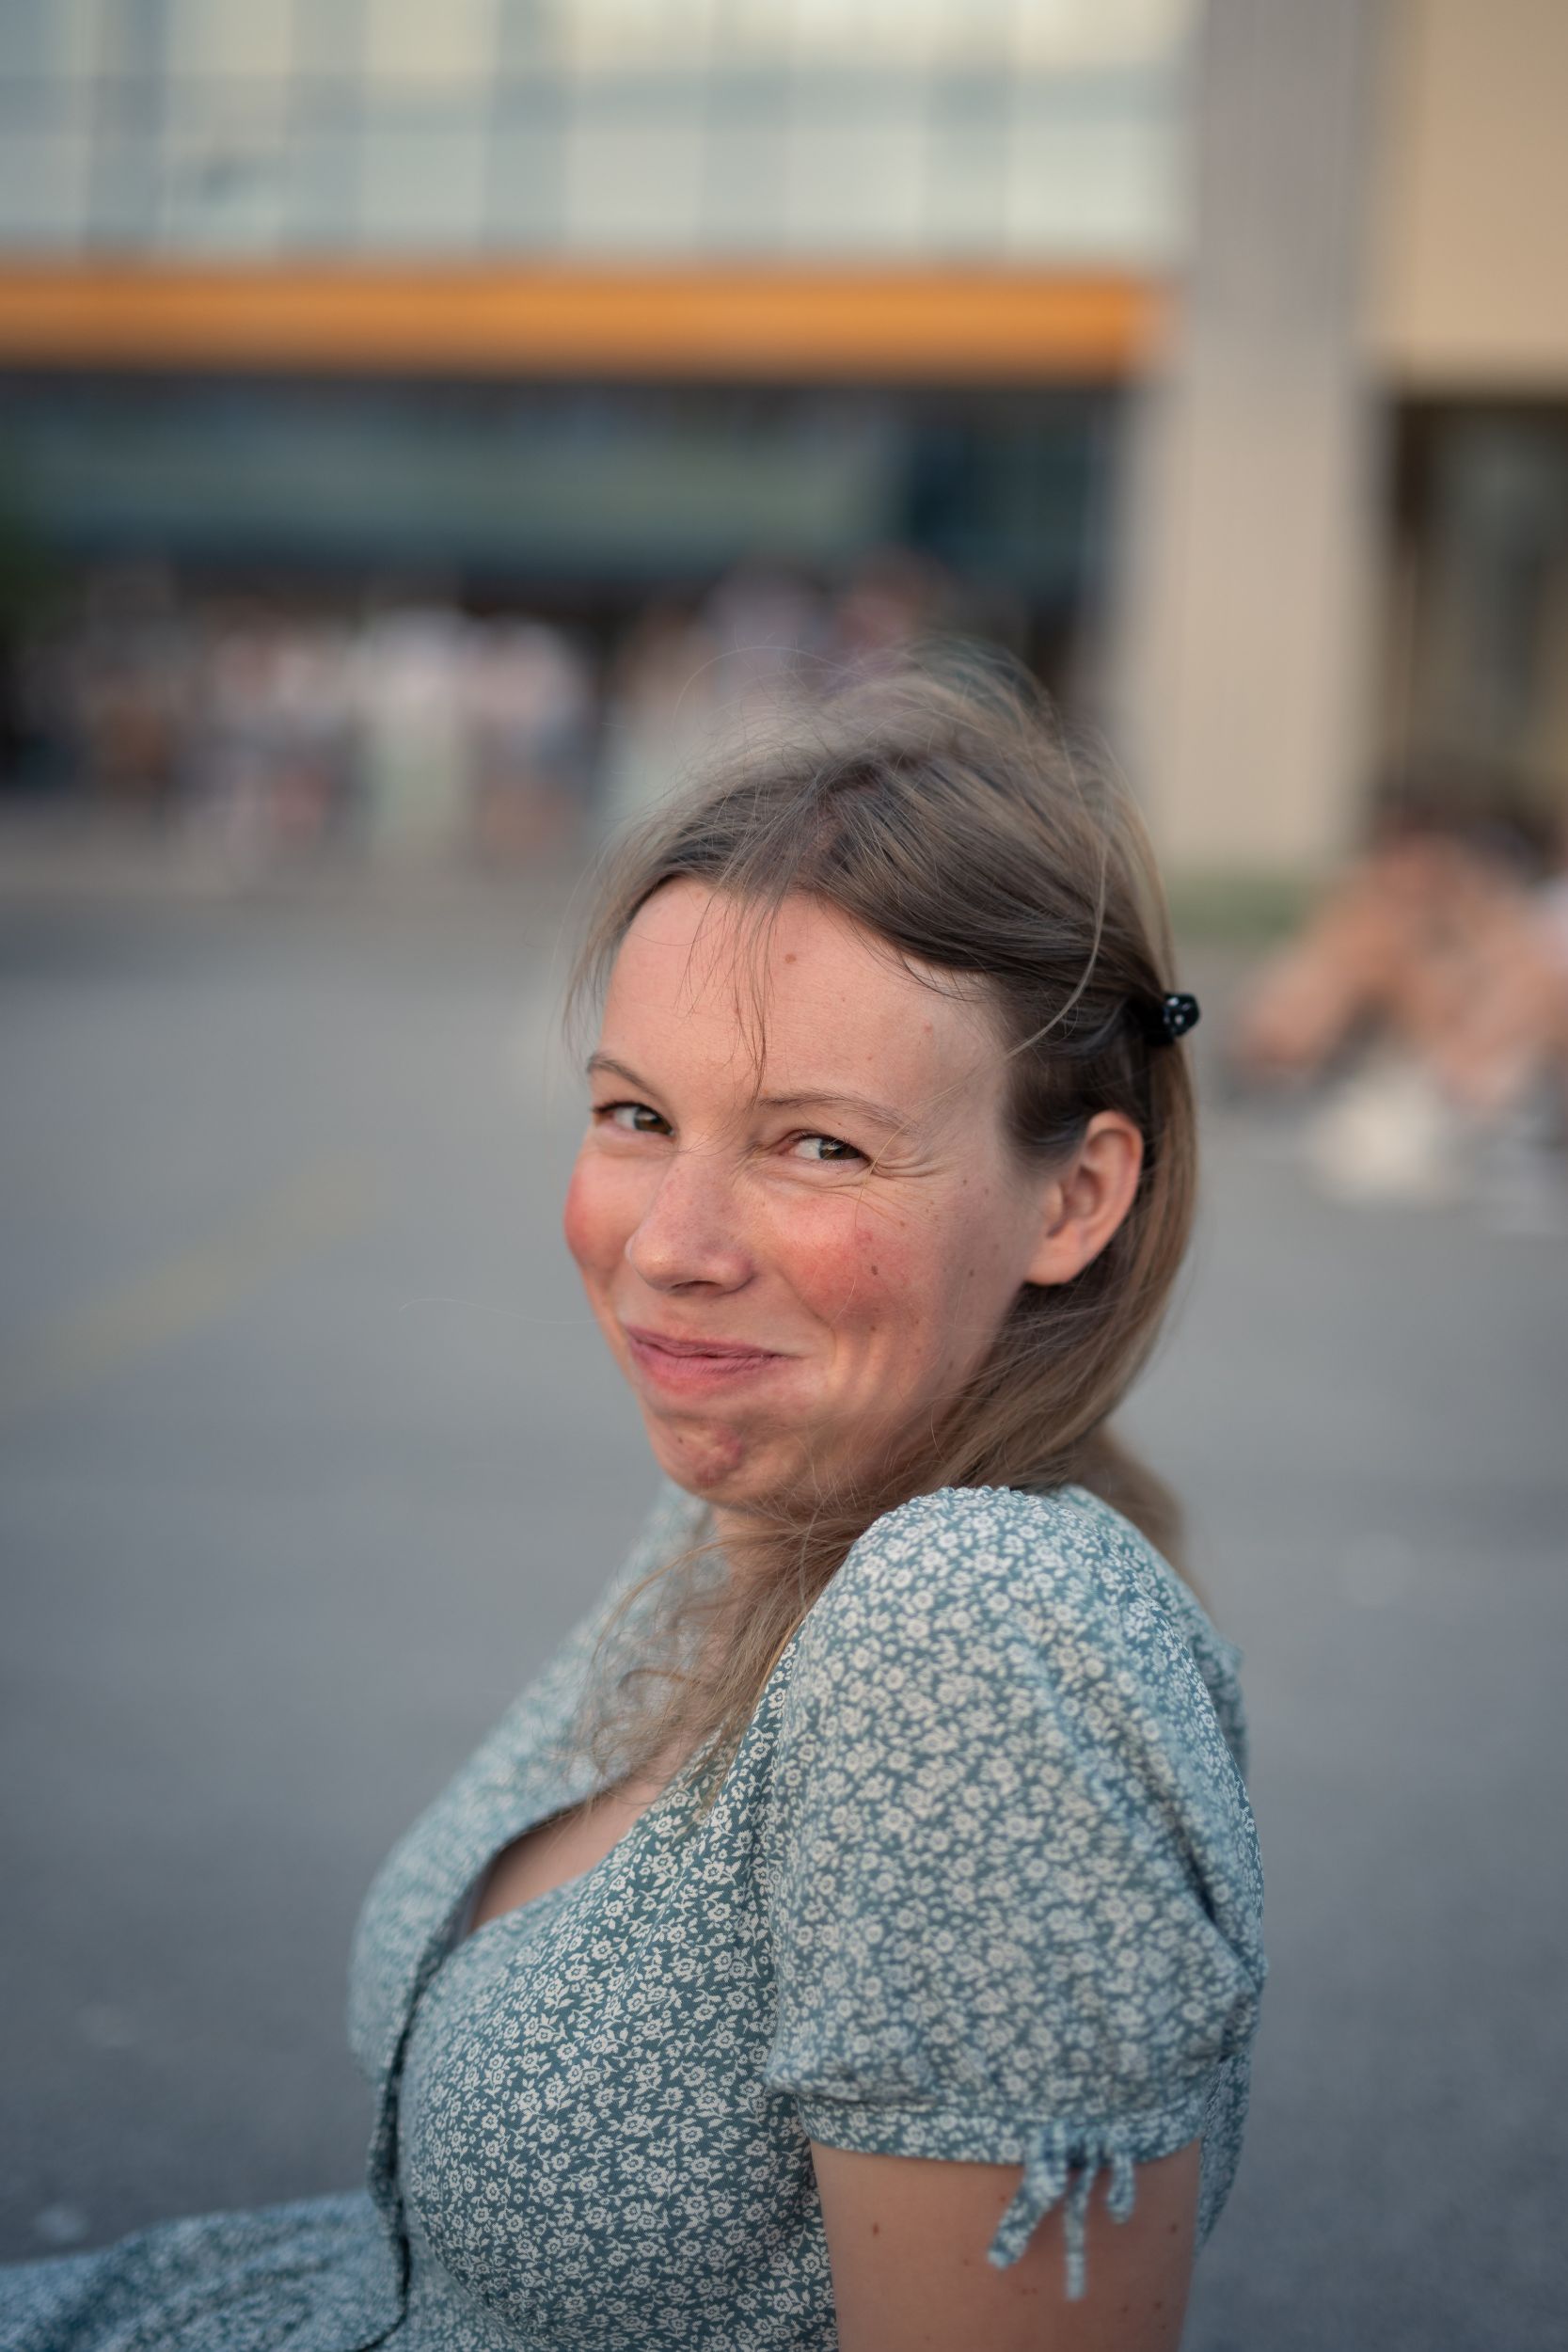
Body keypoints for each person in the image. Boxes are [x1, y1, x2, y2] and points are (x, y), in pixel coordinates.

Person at [3, 660, 1265, 2352]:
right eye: (635, 1116)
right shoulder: (766, 1496)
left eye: (817, 1145)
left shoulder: (972, 1632)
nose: (671, 1243)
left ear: (1077, 1196)